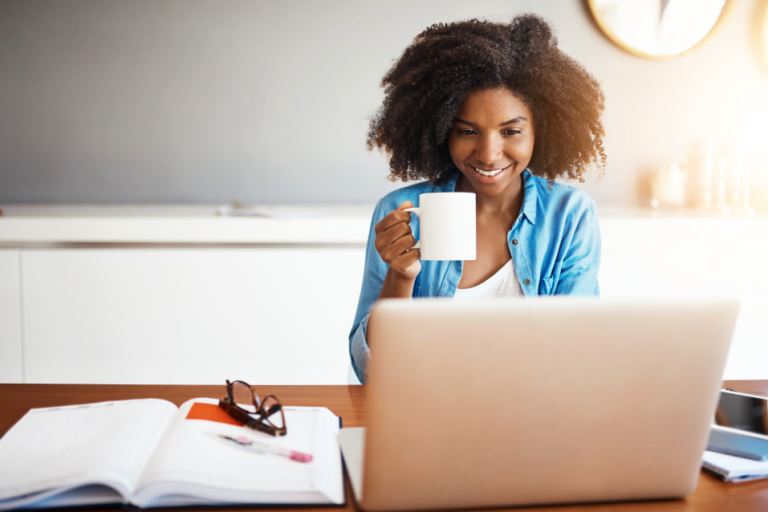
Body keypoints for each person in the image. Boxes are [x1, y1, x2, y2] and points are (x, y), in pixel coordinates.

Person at [350, 15, 606, 383]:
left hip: (532, 414)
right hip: (426, 411)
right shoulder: (399, 211)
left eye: (511, 131)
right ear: (440, 131)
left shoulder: (569, 215)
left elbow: (580, 352)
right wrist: (401, 277)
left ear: (542, 130)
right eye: (467, 131)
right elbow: (371, 373)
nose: (488, 154)